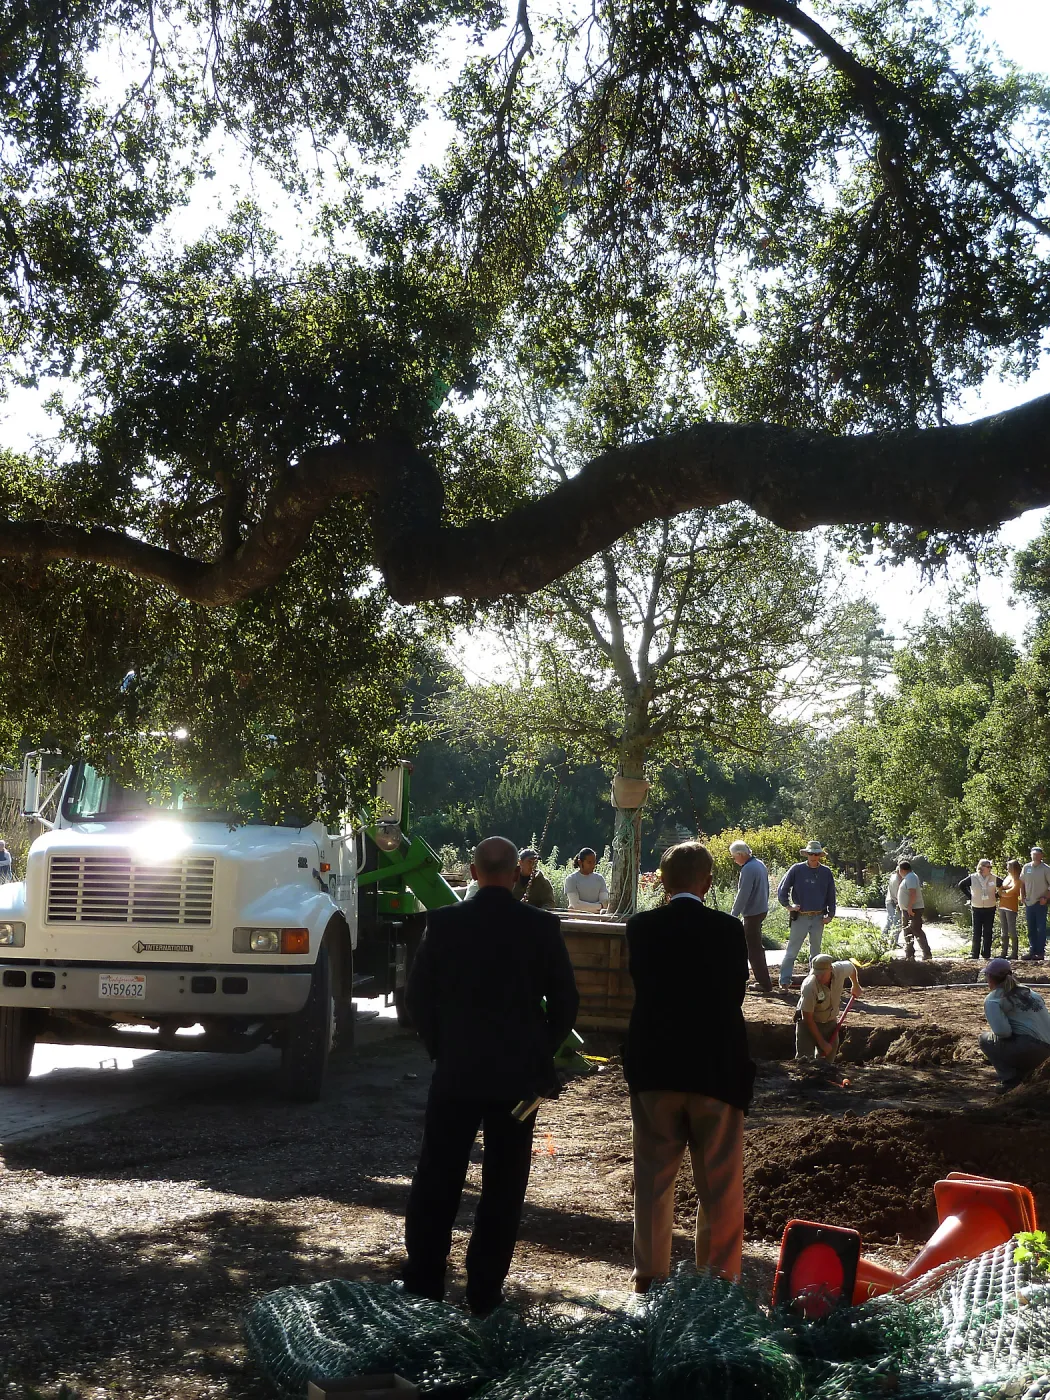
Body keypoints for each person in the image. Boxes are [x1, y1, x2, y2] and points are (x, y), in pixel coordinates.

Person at [402, 835, 580, 1314]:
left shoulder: (443, 924)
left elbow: (415, 998)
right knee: (504, 1185)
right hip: (517, 1081)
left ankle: (423, 1284)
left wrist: (441, 1045)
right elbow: (567, 1003)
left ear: (475, 873)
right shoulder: (541, 927)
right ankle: (483, 1292)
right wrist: (538, 1051)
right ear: (516, 873)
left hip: (457, 1070)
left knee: (438, 1177)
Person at [622, 841, 755, 1290]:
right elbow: (735, 995)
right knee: (719, 1183)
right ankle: (718, 1282)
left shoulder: (640, 927)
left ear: (661, 881)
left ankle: (650, 1277)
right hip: (717, 1067)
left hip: (655, 1065)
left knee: (654, 1179)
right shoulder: (728, 930)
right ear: (709, 882)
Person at [979, 957, 1050, 1092]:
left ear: (990, 977)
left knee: (985, 1040)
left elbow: (1003, 1032)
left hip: (1030, 1049)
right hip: (1048, 1052)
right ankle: (1027, 1073)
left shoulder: (994, 998)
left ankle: (1010, 1081)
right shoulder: (1031, 992)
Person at [775, 840, 836, 990]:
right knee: (792, 951)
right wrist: (788, 906)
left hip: (818, 918)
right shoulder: (797, 869)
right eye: (811, 853)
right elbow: (783, 889)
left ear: (820, 855)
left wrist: (830, 915)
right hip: (800, 916)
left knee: (816, 953)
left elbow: (831, 895)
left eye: (816, 854)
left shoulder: (826, 872)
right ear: (806, 854)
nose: (813, 856)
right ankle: (784, 982)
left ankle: (814, 983)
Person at [795, 953, 861, 1062]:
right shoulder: (809, 986)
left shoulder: (839, 970)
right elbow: (807, 1019)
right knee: (804, 1062)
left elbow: (851, 967)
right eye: (816, 974)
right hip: (808, 1025)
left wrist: (855, 984)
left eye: (822, 974)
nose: (819, 977)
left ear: (830, 969)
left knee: (827, 1065)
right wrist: (822, 1043)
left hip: (830, 1023)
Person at [729, 840, 772, 993]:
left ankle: (764, 984)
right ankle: (763, 981)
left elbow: (743, 894)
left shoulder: (748, 869)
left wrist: (733, 915)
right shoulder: (759, 864)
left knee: (753, 950)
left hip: (753, 912)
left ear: (741, 854)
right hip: (760, 910)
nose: (734, 860)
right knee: (754, 947)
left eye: (734, 857)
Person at [959, 859, 1002, 962]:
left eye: (990, 867)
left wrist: (996, 895)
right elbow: (961, 885)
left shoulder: (994, 878)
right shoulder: (973, 877)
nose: (990, 869)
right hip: (977, 907)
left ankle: (986, 953)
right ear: (982, 867)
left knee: (988, 931)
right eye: (988, 867)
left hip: (990, 907)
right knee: (976, 931)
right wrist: (970, 896)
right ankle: (974, 953)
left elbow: (1003, 886)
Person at [896, 859, 931, 960]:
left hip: (913, 909)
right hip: (907, 909)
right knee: (907, 931)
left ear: (902, 869)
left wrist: (910, 907)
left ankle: (927, 953)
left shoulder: (911, 877)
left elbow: (912, 893)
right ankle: (909, 954)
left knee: (916, 930)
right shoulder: (908, 877)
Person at [1021, 847, 1050, 963]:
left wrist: (1046, 898)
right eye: (1033, 855)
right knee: (1031, 927)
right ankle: (1032, 950)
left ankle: (1040, 952)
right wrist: (1022, 896)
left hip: (1040, 902)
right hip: (1029, 902)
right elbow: (1022, 883)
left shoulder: (1046, 869)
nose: (1035, 857)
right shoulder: (1026, 867)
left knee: (1041, 928)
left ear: (1041, 856)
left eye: (1038, 855)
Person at [563, 848, 610, 912]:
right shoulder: (571, 879)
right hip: (577, 919)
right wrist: (599, 906)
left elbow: (605, 902)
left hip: (597, 919)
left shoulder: (600, 879)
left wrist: (586, 907)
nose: (593, 865)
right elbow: (575, 905)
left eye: (594, 862)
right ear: (580, 862)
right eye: (589, 862)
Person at [999, 859, 1023, 960]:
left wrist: (1003, 892)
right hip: (1002, 906)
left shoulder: (1018, 879)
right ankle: (1003, 952)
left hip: (1011, 907)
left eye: (1009, 866)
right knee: (1003, 931)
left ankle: (1014, 953)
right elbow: (1000, 889)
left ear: (1013, 868)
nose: (1007, 868)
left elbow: (1012, 892)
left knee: (1012, 930)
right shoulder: (1007, 878)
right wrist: (1003, 892)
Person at [884, 867, 902, 946]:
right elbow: (896, 893)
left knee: (890, 922)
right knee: (897, 922)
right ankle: (894, 942)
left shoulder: (893, 877)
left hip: (889, 901)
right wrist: (898, 903)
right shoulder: (896, 880)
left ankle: (883, 939)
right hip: (893, 902)